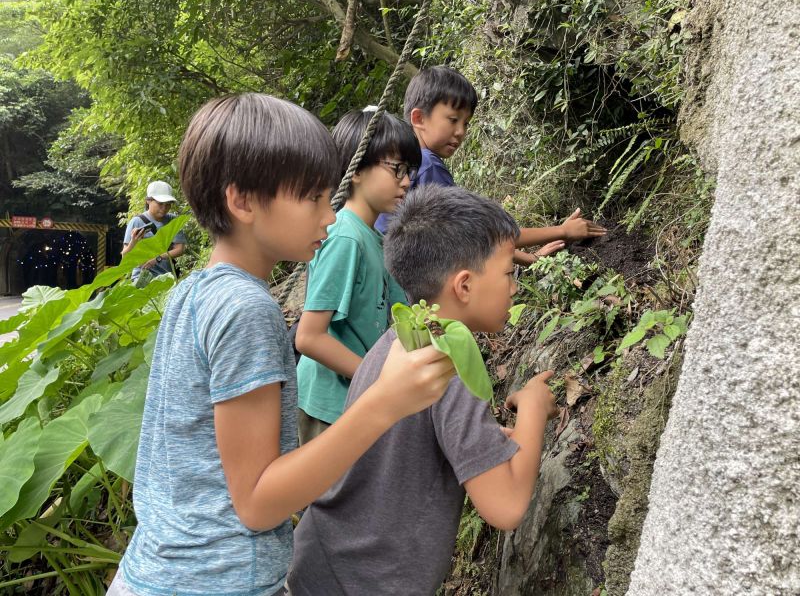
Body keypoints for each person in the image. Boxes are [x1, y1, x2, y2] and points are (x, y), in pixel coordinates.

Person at [108, 94, 454, 596]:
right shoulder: (246, 309)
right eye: (313, 197)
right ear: (243, 201)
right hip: (217, 582)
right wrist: (382, 402)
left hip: (159, 570)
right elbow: (257, 503)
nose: (329, 217)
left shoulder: (191, 293)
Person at [288, 184, 560, 595]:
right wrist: (533, 409)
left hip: (322, 561)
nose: (514, 287)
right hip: (367, 583)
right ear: (464, 285)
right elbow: (506, 507)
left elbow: (411, 444)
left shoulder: (398, 341)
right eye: (509, 272)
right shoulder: (447, 362)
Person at [374, 65, 607, 264]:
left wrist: (529, 259)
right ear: (419, 118)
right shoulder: (428, 165)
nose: (460, 132)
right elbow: (477, 235)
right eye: (453, 120)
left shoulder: (408, 165)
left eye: (466, 123)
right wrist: (562, 231)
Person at [295, 108, 420, 444]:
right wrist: (379, 378)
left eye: (409, 170)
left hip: (355, 402)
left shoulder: (376, 240)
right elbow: (308, 337)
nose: (406, 181)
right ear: (357, 169)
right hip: (327, 409)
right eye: (396, 169)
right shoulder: (345, 237)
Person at [121, 180, 187, 281]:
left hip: (167, 278)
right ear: (148, 201)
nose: (164, 208)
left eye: (168, 204)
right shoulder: (137, 222)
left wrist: (157, 259)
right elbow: (125, 256)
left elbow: (180, 249)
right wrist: (133, 242)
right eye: (160, 204)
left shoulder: (173, 220)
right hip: (142, 278)